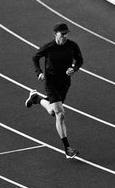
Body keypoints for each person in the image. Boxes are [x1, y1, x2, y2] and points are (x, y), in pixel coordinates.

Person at [25, 23, 83, 158]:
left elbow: (80, 60)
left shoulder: (72, 46)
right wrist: (39, 72)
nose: (65, 36)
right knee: (60, 114)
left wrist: (74, 69)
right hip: (51, 83)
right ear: (55, 34)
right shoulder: (49, 47)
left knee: (52, 111)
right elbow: (35, 57)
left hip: (65, 83)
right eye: (62, 34)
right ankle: (67, 149)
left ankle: (36, 99)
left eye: (66, 33)